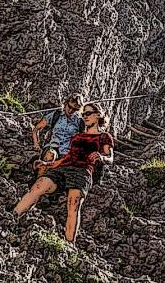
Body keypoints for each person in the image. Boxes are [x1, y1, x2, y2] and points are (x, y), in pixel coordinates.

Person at [13, 103, 114, 243]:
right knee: (39, 185)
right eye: (83, 114)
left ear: (98, 115)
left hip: (82, 172)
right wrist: (48, 164)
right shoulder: (77, 136)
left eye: (88, 113)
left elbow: (110, 157)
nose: (84, 116)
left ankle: (69, 243)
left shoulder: (104, 136)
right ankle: (12, 217)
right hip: (64, 168)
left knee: (73, 203)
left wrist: (102, 157)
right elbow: (67, 157)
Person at [31, 93, 83, 177]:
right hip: (53, 146)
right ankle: (38, 181)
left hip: (67, 151)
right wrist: (36, 144)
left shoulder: (80, 122)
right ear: (65, 103)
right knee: (50, 155)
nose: (70, 111)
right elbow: (36, 129)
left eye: (74, 109)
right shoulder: (56, 115)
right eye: (69, 107)